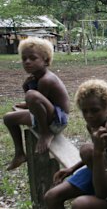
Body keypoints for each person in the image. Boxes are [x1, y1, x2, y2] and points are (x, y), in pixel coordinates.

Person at [44, 79, 107, 209]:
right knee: (52, 197)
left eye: (95, 110)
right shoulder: (91, 126)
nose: (89, 115)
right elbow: (93, 154)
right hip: (92, 169)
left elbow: (103, 156)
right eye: (85, 111)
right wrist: (72, 169)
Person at [3, 37, 70, 170]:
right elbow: (36, 102)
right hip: (46, 116)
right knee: (8, 118)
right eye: (24, 59)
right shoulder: (37, 77)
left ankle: (45, 133)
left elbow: (35, 99)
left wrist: (28, 96)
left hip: (57, 121)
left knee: (31, 95)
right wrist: (26, 87)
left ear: (45, 60)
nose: (27, 62)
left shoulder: (46, 80)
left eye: (33, 58)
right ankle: (20, 154)